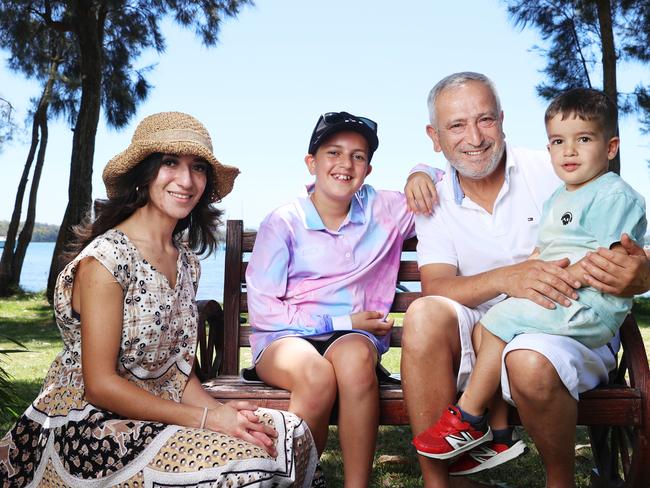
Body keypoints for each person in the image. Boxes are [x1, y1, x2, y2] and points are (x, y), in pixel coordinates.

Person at [0, 112, 317, 487]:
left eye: (198, 167)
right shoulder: (106, 261)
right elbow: (99, 385)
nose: (186, 180)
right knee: (245, 465)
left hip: (161, 412)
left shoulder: (185, 261)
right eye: (170, 163)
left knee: (289, 432)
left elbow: (177, 373)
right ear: (144, 173)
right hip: (90, 427)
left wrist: (224, 414)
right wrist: (206, 420)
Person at [400, 72, 650, 488]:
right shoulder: (434, 198)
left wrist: (641, 271)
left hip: (568, 322)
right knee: (425, 314)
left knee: (528, 358)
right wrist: (508, 278)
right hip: (484, 334)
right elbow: (437, 287)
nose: (475, 137)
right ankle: (441, 481)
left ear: (502, 119)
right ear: (435, 136)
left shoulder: (555, 166)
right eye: (456, 125)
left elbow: (623, 237)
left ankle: (554, 476)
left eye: (485, 120)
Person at [245, 111, 439, 488]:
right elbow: (265, 311)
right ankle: (300, 481)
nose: (345, 164)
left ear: (367, 169)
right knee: (315, 375)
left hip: (353, 337)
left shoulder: (384, 210)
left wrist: (421, 172)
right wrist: (342, 323)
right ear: (311, 163)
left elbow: (449, 186)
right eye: (333, 153)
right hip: (284, 338)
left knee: (354, 357)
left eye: (358, 156)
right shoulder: (284, 221)